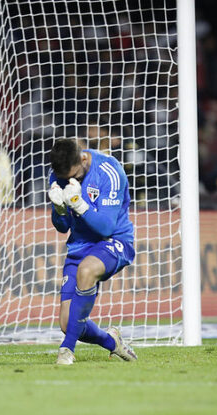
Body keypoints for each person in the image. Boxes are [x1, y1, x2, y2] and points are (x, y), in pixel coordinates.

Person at [47, 138, 137, 365]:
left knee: (87, 271)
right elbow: (63, 227)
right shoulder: (58, 176)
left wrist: (78, 203)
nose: (71, 180)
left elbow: (106, 226)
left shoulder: (109, 170)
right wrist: (59, 210)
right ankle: (112, 341)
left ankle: (67, 349)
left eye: (76, 176)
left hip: (114, 240)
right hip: (80, 245)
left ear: (84, 158)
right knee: (68, 324)